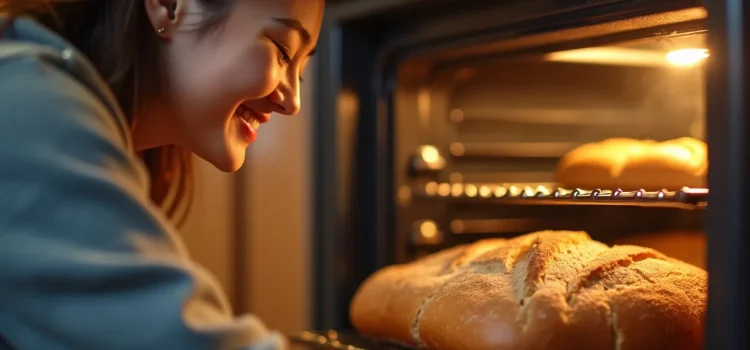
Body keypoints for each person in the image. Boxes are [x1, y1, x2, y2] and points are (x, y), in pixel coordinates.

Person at [0, 0, 323, 349]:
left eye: (301, 71)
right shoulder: (31, 108)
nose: (293, 102)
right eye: (282, 52)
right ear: (170, 6)